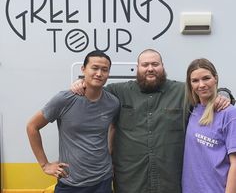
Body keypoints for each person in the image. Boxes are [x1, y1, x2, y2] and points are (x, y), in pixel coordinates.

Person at [71, 49, 230, 193]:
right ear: (137, 68)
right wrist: (82, 83)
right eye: (145, 64)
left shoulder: (182, 92)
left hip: (171, 182)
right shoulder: (118, 92)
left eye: (155, 64)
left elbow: (204, 91)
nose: (150, 68)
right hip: (130, 181)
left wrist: (223, 95)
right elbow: (95, 91)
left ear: (163, 66)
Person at [27, 50, 120, 193]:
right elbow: (32, 126)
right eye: (94, 68)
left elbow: (113, 127)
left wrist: (110, 157)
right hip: (70, 182)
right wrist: (45, 165)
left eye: (104, 70)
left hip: (103, 180)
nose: (99, 73)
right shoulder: (65, 99)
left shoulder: (113, 103)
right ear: (83, 69)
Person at [182, 58, 236, 193]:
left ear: (215, 78)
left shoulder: (229, 113)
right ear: (190, 84)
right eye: (195, 80)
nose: (201, 85)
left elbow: (235, 163)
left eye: (206, 78)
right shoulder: (192, 110)